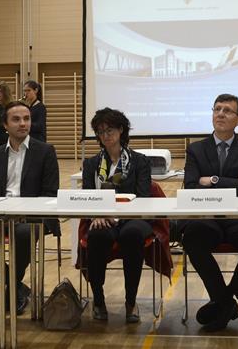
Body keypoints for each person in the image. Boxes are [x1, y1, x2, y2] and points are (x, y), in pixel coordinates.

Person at [181, 94, 238, 332]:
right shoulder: (196, 149)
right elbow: (190, 187)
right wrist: (235, 181)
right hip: (207, 216)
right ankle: (225, 303)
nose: (220, 114)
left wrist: (212, 180)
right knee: (192, 237)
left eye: (227, 110)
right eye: (217, 109)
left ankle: (225, 299)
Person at [0, 101, 59, 315]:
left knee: (23, 232)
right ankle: (15, 285)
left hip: (32, 215)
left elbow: (50, 193)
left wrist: (23, 211)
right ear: (5, 125)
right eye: (16, 119)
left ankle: (12, 289)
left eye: (27, 119)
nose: (23, 123)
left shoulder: (45, 151)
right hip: (1, 213)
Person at [80, 108, 152, 323]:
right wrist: (97, 214)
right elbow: (88, 196)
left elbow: (143, 197)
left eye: (109, 130)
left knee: (132, 235)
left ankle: (131, 301)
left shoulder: (139, 161)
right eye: (100, 132)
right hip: (102, 218)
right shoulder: (91, 164)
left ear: (121, 130)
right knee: (97, 235)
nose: (105, 135)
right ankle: (98, 299)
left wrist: (117, 214)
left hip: (134, 218)